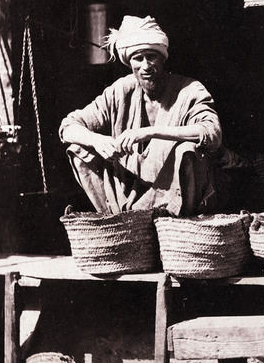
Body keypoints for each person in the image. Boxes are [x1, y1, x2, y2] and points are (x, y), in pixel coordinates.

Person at [59, 15, 222, 216]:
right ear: (130, 62)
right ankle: (118, 221)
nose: (145, 66)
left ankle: (176, 223)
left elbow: (212, 133)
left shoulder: (189, 89)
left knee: (187, 150)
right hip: (129, 192)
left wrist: (148, 132)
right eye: (138, 58)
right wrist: (97, 140)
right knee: (79, 149)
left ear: (163, 58)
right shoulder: (120, 91)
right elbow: (68, 126)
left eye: (151, 56)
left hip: (172, 194)